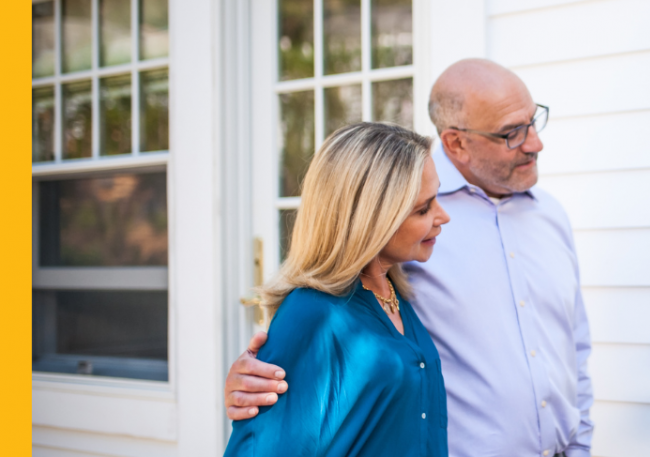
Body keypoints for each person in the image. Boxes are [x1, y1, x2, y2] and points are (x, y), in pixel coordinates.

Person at [224, 59, 594, 457]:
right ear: (456, 142)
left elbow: (574, 347)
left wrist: (580, 444)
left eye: (533, 122)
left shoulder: (550, 217)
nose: (535, 143)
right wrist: (258, 382)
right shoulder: (405, 241)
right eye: (511, 133)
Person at [223, 122, 451, 456]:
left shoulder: (393, 294)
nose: (443, 216)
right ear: (372, 219)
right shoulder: (312, 314)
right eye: (423, 209)